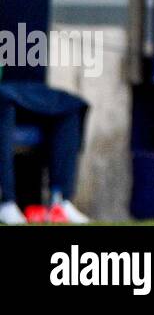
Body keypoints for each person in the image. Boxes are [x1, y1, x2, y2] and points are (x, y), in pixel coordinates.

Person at [0, 79, 91, 224]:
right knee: (3, 98)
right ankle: (6, 201)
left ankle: (61, 200)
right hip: (6, 97)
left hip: (28, 91)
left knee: (70, 104)